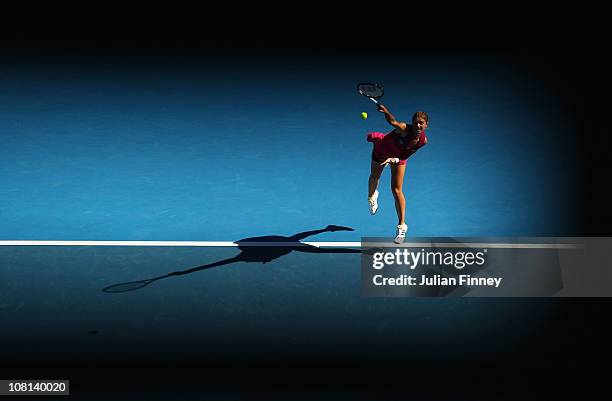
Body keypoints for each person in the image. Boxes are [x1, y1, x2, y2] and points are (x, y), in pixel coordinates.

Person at [366, 104, 429, 243]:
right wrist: (386, 111)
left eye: (421, 123)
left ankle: (402, 226)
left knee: (396, 189)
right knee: (374, 177)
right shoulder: (404, 129)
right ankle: (372, 197)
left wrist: (394, 159)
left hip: (398, 157)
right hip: (382, 150)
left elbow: (407, 154)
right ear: (412, 123)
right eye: (415, 123)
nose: (418, 125)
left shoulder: (423, 141)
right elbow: (393, 122)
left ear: (426, 125)